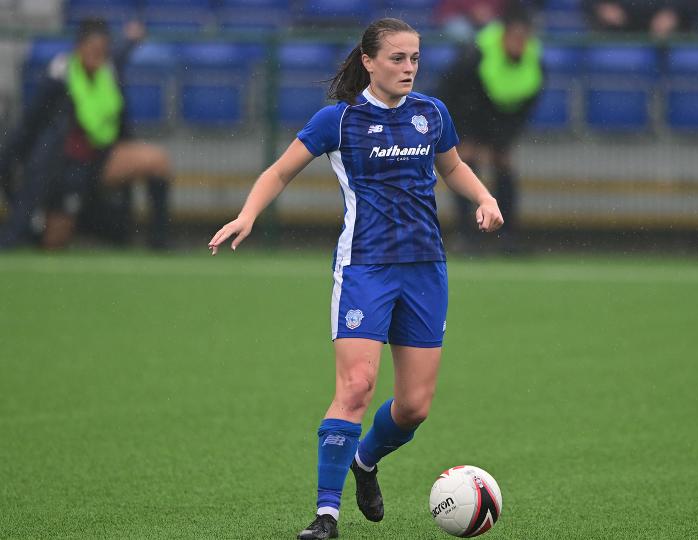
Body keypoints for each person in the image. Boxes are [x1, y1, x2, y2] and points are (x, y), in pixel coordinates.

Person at [206, 18, 503, 540]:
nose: (408, 68)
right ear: (368, 62)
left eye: (414, 59)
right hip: (364, 268)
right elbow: (279, 171)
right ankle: (326, 516)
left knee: (414, 407)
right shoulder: (338, 120)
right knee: (357, 386)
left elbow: (453, 167)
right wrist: (248, 214)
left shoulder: (432, 114)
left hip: (425, 270)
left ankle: (364, 462)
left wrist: (483, 196)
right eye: (397, 58)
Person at [0, 19, 172, 250]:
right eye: (93, 49)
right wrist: (12, 156)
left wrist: (132, 38)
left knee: (157, 161)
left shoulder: (109, 69)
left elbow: (120, 53)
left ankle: (159, 242)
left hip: (102, 158)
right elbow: (30, 122)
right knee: (53, 242)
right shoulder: (59, 77)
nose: (97, 55)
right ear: (79, 48)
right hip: (66, 166)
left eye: (102, 50)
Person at [438, 5, 543, 252]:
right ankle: (466, 234)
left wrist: (503, 138)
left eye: (524, 38)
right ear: (504, 34)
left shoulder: (534, 61)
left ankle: (507, 235)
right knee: (466, 160)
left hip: (501, 119)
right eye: (515, 37)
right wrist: (464, 135)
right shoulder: (475, 54)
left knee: (503, 162)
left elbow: (526, 104)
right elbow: (453, 92)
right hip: (467, 112)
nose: (519, 43)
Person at [582, 0, 698, 38]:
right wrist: (601, 7)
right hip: (617, 31)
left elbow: (695, 4)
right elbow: (587, 3)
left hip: (668, 35)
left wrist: (674, 12)